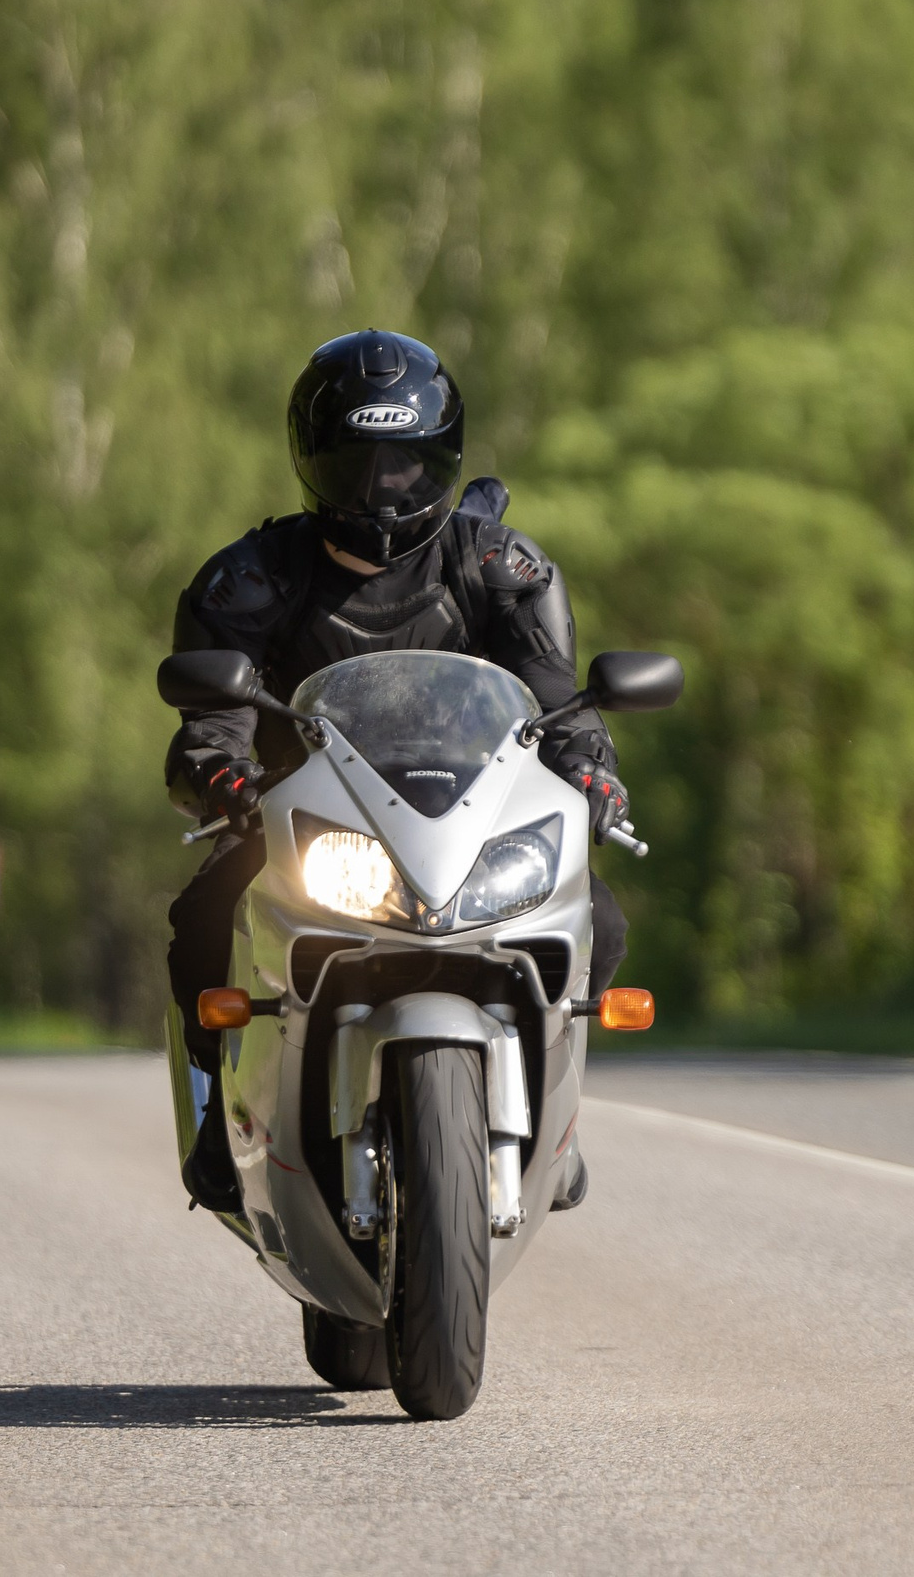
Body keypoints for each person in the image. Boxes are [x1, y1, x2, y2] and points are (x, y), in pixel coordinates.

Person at [164, 329, 629, 1214]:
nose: (385, 489)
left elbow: (561, 708)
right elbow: (208, 727)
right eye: (360, 463)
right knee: (200, 922)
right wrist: (222, 778)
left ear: (445, 459)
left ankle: (557, 1122)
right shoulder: (249, 583)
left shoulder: (500, 569)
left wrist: (596, 773)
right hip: (306, 827)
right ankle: (219, 1122)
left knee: (599, 921)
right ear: (314, 464)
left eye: (408, 464)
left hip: (476, 826)